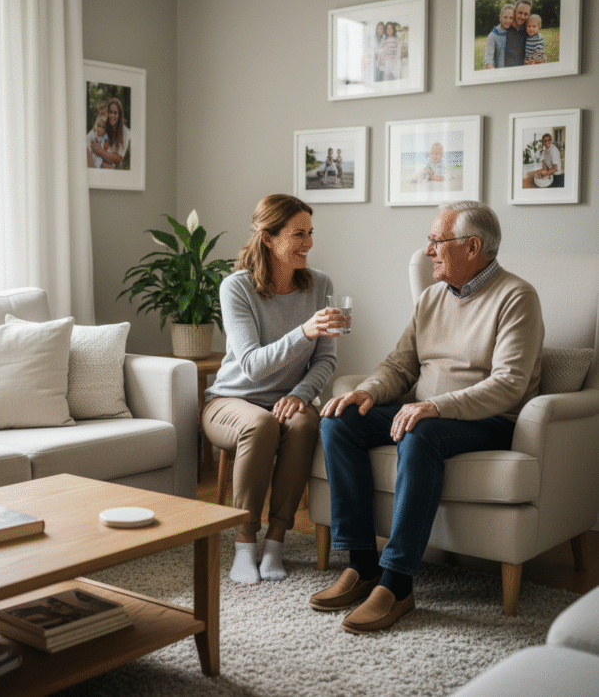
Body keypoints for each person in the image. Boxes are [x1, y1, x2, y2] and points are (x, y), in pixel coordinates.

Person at [309, 200, 544, 633]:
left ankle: (397, 583)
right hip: (422, 412)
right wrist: (365, 392)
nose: (429, 250)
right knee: (338, 421)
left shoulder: (517, 297)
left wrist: (436, 406)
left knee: (421, 432)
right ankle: (364, 564)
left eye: (437, 241)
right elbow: (400, 366)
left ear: (473, 247)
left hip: (487, 420)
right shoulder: (432, 298)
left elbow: (509, 383)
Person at [202, 194, 346, 585]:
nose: (308, 243)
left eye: (310, 232)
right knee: (261, 426)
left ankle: (276, 542)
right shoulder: (237, 288)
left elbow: (325, 361)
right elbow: (251, 366)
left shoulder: (321, 285)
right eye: (298, 234)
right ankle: (245, 542)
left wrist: (300, 395)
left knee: (302, 425)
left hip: (290, 399)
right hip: (232, 402)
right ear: (268, 237)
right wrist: (304, 331)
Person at [91, 97, 130, 169]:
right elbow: (93, 143)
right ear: (107, 113)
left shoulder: (124, 132)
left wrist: (100, 151)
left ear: (119, 115)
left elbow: (118, 159)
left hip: (115, 168)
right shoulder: (104, 124)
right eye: (110, 112)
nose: (112, 115)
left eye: (115, 113)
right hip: (100, 163)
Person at [483, 4, 514, 69]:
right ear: (500, 18)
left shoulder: (516, 33)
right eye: (505, 17)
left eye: (511, 18)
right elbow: (488, 62)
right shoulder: (492, 36)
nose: (508, 21)